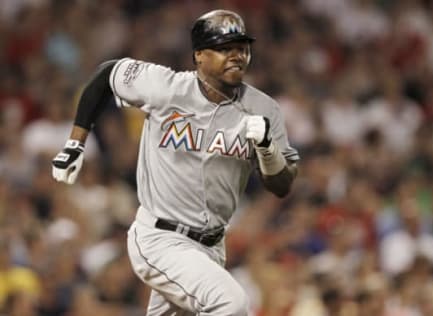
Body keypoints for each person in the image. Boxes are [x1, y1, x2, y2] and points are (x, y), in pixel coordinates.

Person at [51, 9, 299, 316]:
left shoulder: (264, 109)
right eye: (224, 48)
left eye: (241, 48)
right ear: (199, 56)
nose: (236, 56)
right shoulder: (167, 87)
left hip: (211, 247)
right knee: (231, 303)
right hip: (160, 237)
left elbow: (282, 184)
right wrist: (76, 142)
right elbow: (106, 75)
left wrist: (267, 148)